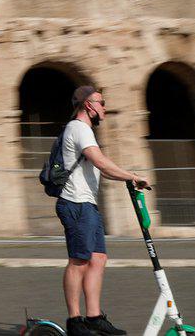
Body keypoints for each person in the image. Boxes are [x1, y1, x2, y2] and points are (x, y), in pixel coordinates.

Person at [55, 86, 151, 336]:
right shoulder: (78, 128)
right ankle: (75, 321)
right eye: (102, 102)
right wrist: (132, 176)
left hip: (87, 203)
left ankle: (94, 316)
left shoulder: (84, 131)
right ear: (89, 105)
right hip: (75, 203)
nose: (104, 107)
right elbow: (99, 161)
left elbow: (104, 168)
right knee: (79, 260)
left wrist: (128, 179)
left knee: (98, 259)